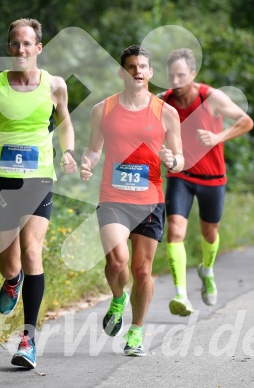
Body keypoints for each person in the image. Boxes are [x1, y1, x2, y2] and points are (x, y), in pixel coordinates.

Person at [0, 18, 77, 369]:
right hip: (2, 181)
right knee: (10, 264)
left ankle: (28, 339)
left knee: (32, 251)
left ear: (39, 48)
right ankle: (12, 282)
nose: (22, 49)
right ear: (8, 49)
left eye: (28, 43)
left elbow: (66, 124)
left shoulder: (55, 86)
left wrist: (69, 151)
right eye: (16, 43)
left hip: (40, 178)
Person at [80, 45, 183, 356]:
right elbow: (94, 148)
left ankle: (136, 331)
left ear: (151, 73)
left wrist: (172, 160)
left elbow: (180, 158)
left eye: (143, 66)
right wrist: (87, 162)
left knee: (142, 270)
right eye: (131, 67)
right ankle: (117, 297)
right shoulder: (103, 109)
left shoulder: (167, 112)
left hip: (151, 199)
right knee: (116, 261)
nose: (138, 71)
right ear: (121, 72)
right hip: (113, 197)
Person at [157, 48, 254, 316]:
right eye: (171, 76)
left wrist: (217, 137)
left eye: (181, 75)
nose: (175, 81)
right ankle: (181, 295)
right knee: (175, 231)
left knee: (210, 233)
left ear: (193, 74)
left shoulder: (210, 98)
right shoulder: (163, 101)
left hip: (212, 177)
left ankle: (207, 271)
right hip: (180, 175)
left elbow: (246, 122)